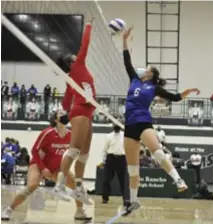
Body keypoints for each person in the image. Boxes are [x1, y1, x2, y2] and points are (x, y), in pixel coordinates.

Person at [121, 26, 200, 215]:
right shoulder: (134, 79)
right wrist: (124, 40)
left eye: (147, 69)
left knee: (157, 152)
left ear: (151, 74)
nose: (143, 70)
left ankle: (178, 179)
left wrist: (186, 92)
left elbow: (174, 97)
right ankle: (133, 201)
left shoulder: (154, 88)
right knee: (132, 168)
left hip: (143, 121)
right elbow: (127, 61)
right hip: (129, 124)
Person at [1, 111, 91, 221]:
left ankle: (79, 211)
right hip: (38, 165)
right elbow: (34, 150)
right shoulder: (47, 133)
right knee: (32, 186)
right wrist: (43, 168)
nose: (64, 115)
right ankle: (8, 210)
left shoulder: (70, 135)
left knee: (76, 185)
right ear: (55, 119)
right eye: (61, 113)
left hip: (56, 168)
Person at [53, 19, 96, 205]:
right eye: (73, 56)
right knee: (75, 149)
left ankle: (78, 188)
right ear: (71, 62)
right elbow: (84, 45)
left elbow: (65, 98)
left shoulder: (72, 78)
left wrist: (62, 113)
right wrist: (88, 26)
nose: (75, 55)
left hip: (87, 112)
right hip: (80, 112)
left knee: (85, 152)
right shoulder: (77, 66)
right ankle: (59, 186)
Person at [99, 124, 129, 205]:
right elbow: (105, 150)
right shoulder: (108, 136)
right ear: (113, 126)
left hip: (122, 159)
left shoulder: (125, 135)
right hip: (111, 158)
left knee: (123, 181)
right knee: (106, 180)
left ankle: (126, 199)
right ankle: (105, 198)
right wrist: (102, 161)